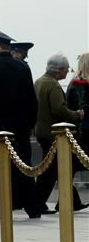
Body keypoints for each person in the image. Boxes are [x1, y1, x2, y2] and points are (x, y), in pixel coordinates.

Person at [0, 27, 41, 219]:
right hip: (20, 127)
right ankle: (32, 207)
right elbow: (31, 100)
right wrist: (30, 124)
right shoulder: (23, 67)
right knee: (24, 168)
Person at [34, 52, 85, 212]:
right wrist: (77, 114)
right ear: (59, 70)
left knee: (53, 170)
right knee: (51, 172)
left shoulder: (39, 82)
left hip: (41, 131)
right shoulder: (54, 85)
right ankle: (38, 203)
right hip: (53, 134)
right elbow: (59, 109)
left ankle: (71, 201)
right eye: (66, 68)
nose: (68, 71)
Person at [66, 52, 89, 208]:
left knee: (73, 166)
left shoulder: (74, 83)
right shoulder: (81, 83)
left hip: (79, 130)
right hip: (84, 130)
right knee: (75, 165)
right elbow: (83, 107)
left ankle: (67, 199)